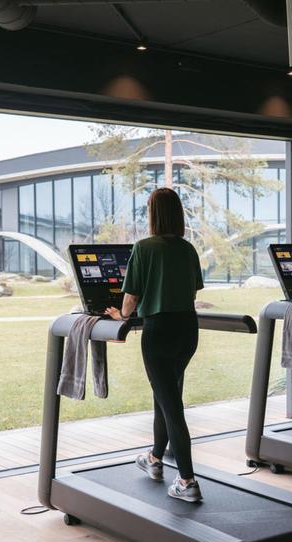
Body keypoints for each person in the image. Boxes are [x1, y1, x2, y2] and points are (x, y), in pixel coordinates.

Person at [105, 187, 205, 502]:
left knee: (171, 405)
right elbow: (191, 292)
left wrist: (119, 315)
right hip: (187, 330)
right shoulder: (188, 249)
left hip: (158, 331)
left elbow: (131, 298)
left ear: (153, 213)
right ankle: (154, 459)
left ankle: (187, 481)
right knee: (166, 395)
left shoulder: (144, 248)